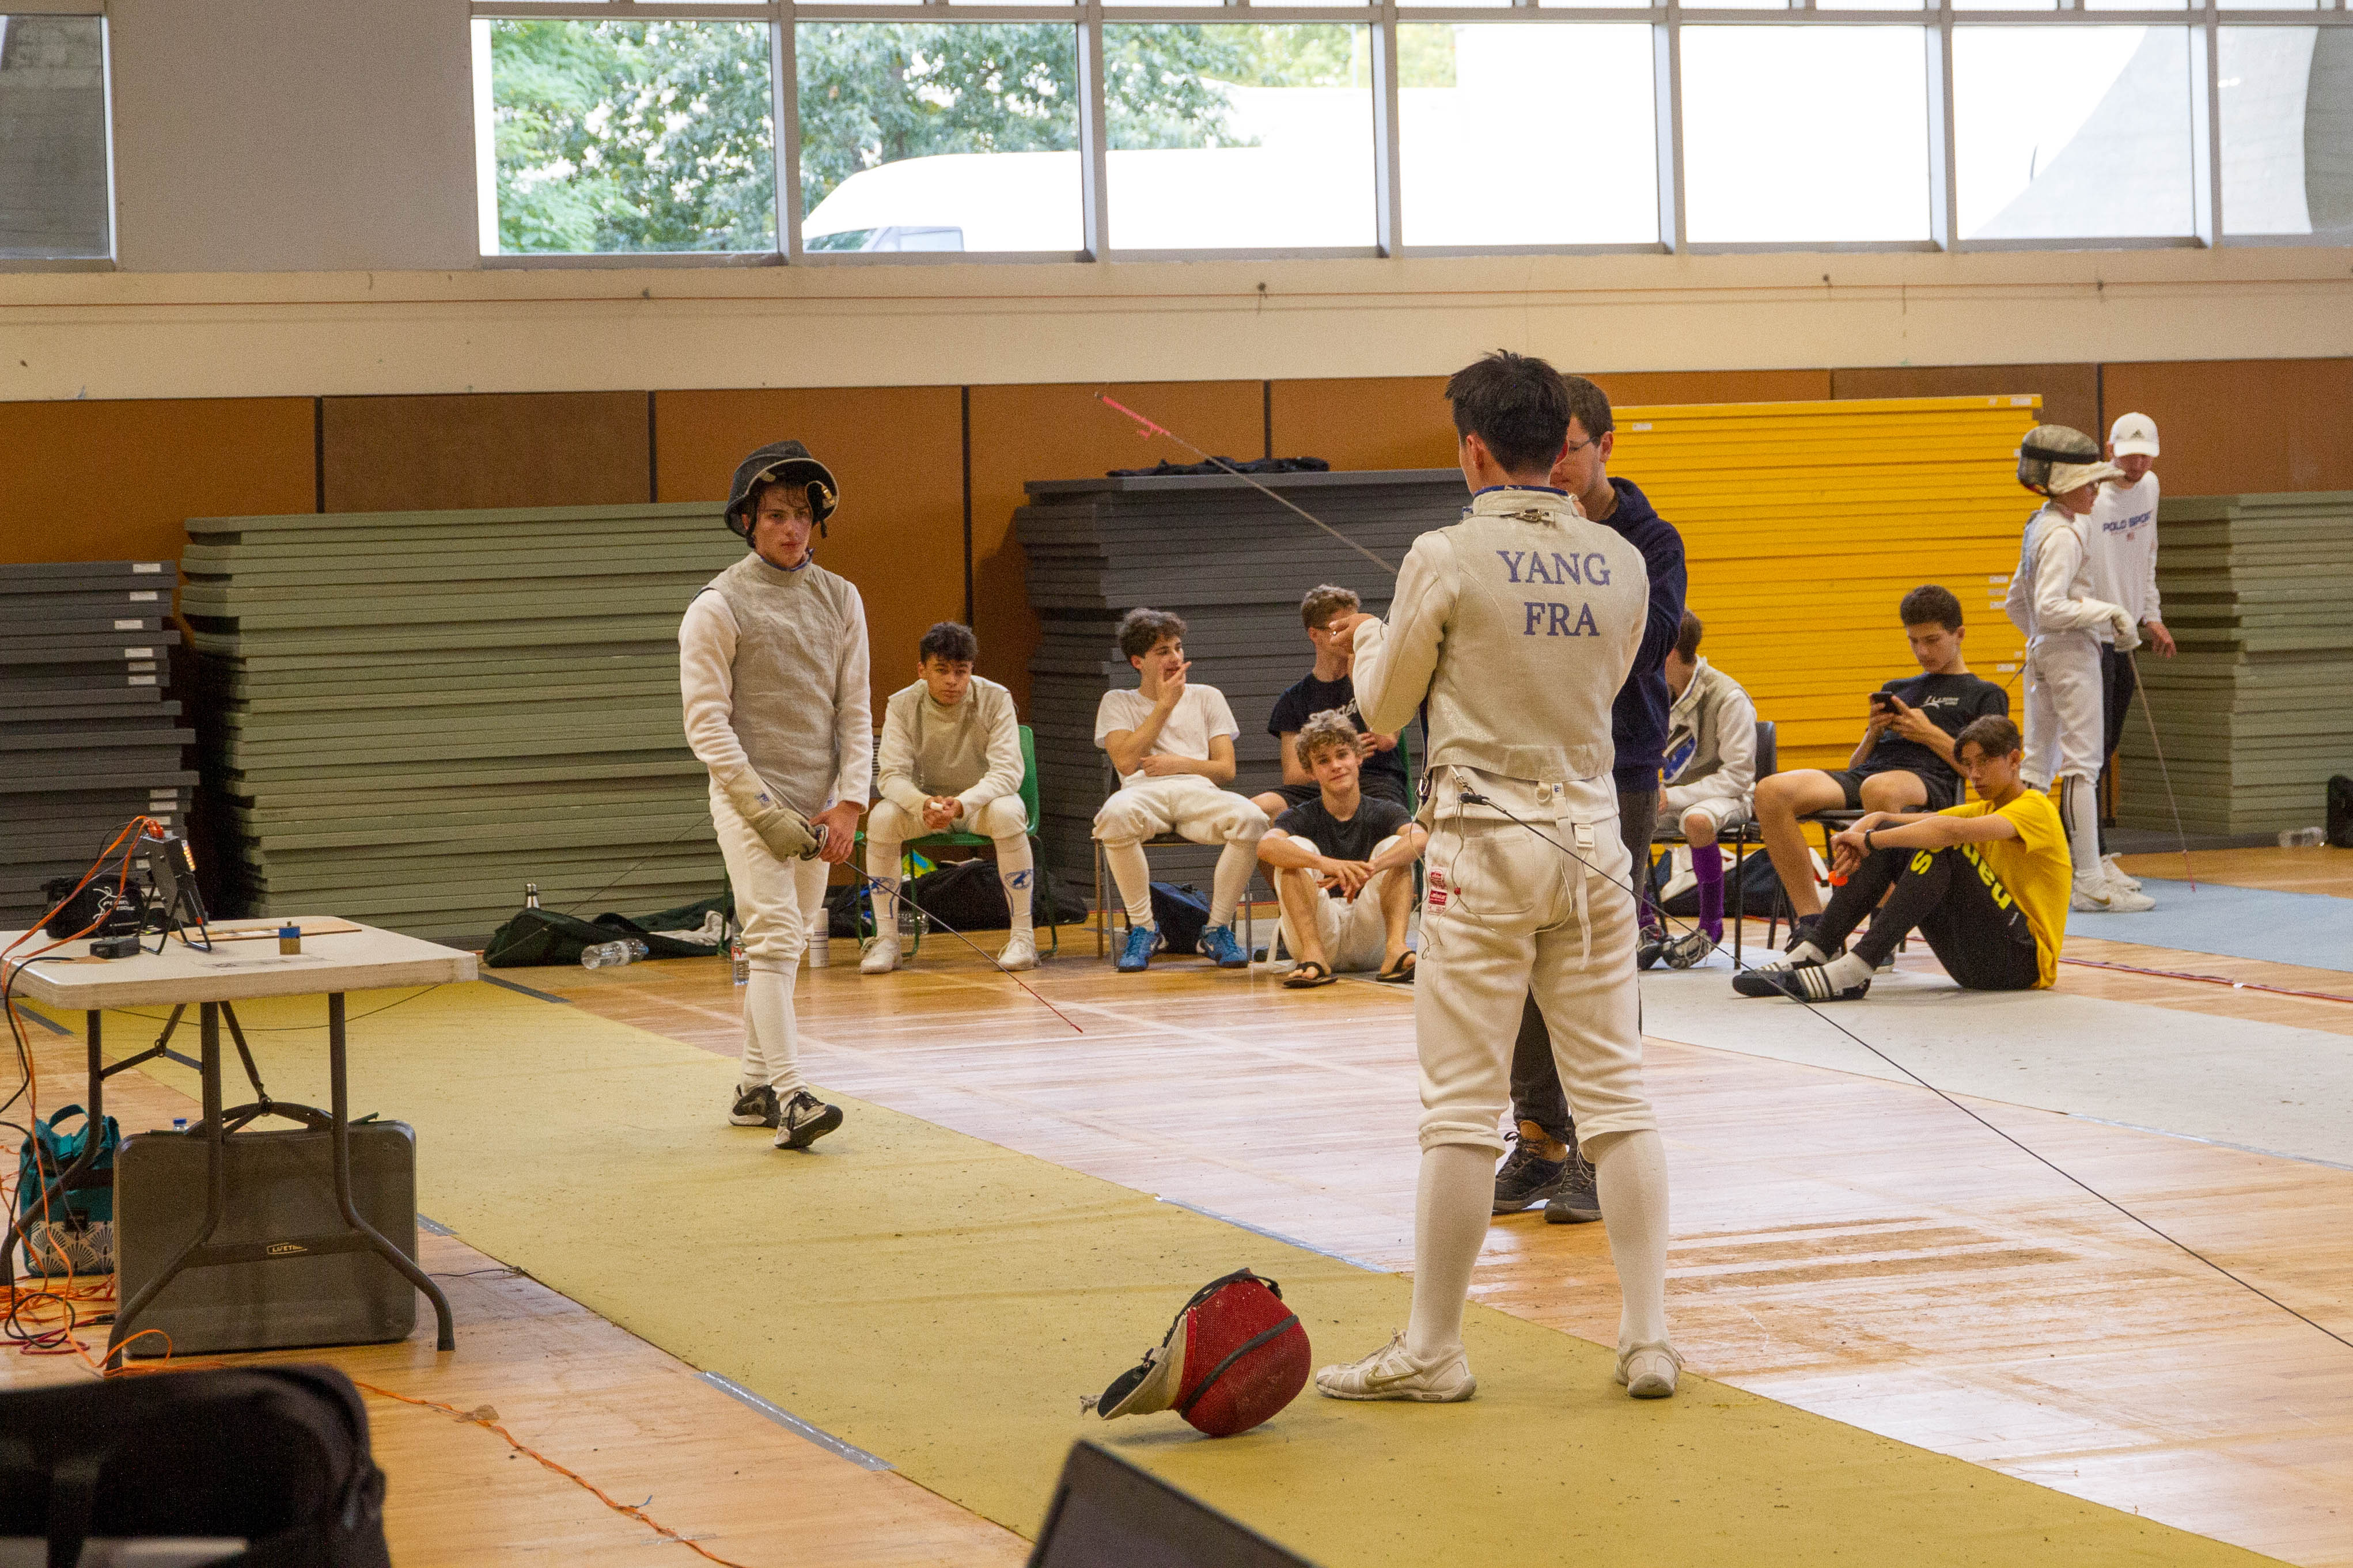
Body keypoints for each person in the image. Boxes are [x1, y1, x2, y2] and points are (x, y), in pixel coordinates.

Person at [1313, 350, 1678, 1404]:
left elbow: (1383, 708)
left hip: (1482, 847)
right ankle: (1648, 1339)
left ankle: (1433, 1349)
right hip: (1594, 840)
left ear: (1473, 450)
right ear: (1559, 443)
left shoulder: (1443, 552)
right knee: (1618, 1095)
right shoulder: (1622, 558)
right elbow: (1611, 679)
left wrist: (1374, 635)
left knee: (1461, 1110)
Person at [1490, 374, 1687, 1224]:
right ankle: (1540, 1136)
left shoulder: (1650, 540)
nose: (1556, 464)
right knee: (1522, 949)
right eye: (1548, 451)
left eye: (1569, 448)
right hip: (1526, 766)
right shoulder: (1514, 533)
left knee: (1598, 956)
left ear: (1603, 446)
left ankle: (1603, 1151)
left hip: (1618, 769)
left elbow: (1647, 646)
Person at [680, 440, 863, 1151]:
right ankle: (792, 1097)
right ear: (748, 521)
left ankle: (752, 1087)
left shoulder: (840, 597)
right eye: (776, 515)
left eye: (801, 515)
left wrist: (848, 803)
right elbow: (706, 725)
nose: (791, 528)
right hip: (746, 800)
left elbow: (853, 711)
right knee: (775, 936)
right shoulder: (717, 605)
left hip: (819, 806)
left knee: (782, 951)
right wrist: (763, 812)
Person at [1734, 715, 2068, 1001]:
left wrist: (1870, 840)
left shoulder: (2036, 808)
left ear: (2014, 760)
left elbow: (1946, 831)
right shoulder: (1984, 808)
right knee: (1900, 838)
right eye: (1968, 765)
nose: (1974, 774)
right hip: (1972, 965)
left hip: (2022, 962)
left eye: (1984, 762)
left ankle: (1859, 965)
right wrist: (1870, 823)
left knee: (1941, 844)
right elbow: (1907, 823)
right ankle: (1816, 949)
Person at [1750, 586, 2008, 954]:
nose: (1922, 651)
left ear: (1960, 634)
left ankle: (1881, 926)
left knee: (1879, 789)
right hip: (1871, 775)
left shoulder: (1985, 694)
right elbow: (1859, 767)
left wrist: (1928, 733)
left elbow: (1984, 771)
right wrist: (1872, 732)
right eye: (1914, 641)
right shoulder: (1898, 689)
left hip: (1930, 780)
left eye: (1932, 640)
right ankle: (1811, 922)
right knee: (1770, 791)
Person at [2003, 423, 2154, 914]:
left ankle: (2023, 872)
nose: (2095, 490)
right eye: (2088, 482)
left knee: (2036, 766)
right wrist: (2109, 613)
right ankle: (2088, 879)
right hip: (2071, 654)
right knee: (2081, 768)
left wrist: (2039, 643)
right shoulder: (2065, 535)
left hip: (2046, 652)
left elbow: (2016, 603)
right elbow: (2048, 605)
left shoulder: (2039, 524)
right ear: (2065, 484)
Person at [1093, 608, 1268, 974]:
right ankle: (1144, 928)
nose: (1175, 658)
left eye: (1177, 648)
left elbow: (1226, 769)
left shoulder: (1207, 696)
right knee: (1113, 816)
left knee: (1253, 818)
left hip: (1197, 790)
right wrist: (1163, 706)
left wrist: (1180, 763)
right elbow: (1125, 761)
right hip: (1142, 792)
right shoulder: (1117, 701)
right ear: (1138, 662)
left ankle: (1217, 929)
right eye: (1163, 652)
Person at [862, 620, 1036, 975]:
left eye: (962, 671)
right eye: (942, 670)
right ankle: (887, 941)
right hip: (925, 809)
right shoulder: (902, 704)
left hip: (980, 806)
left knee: (1009, 812)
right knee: (881, 818)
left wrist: (964, 804)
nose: (953, 681)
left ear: (972, 670)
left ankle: (1023, 938)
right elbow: (891, 776)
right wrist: (923, 804)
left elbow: (1008, 772)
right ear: (922, 670)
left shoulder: (996, 698)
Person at [1256, 710, 1427, 988]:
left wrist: (1372, 868)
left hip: (1370, 937)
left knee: (1396, 848)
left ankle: (1396, 950)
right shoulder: (1300, 815)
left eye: (1342, 755)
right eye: (1323, 761)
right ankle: (1314, 957)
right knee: (1293, 850)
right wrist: (1327, 864)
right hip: (1319, 934)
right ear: (1311, 772)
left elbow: (1419, 838)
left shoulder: (1385, 810)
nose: (1335, 766)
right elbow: (1266, 846)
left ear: (1358, 758)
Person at [2086, 412, 2172, 891]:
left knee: (2108, 745)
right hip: (2091, 636)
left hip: (2125, 637)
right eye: (2128, 455)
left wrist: (2149, 614)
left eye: (2145, 456)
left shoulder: (2150, 487)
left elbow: (2146, 553)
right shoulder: (2091, 496)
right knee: (2091, 749)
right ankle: (2092, 855)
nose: (2136, 465)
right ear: (2109, 450)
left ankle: (2092, 853)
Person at [1249, 584, 1411, 821]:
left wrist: (1357, 675)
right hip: (1319, 787)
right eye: (1340, 628)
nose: (1351, 635)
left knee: (1380, 818)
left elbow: (1386, 740)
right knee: (1256, 810)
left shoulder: (1374, 678)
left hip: (1374, 781)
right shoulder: (1294, 700)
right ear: (1315, 634)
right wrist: (1339, 753)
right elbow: (1293, 775)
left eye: (1353, 627)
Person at [1654, 609, 1757, 965]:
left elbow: (1739, 775)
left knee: (1697, 820)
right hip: (1673, 797)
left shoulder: (1728, 696)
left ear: (1669, 651)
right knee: (1623, 819)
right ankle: (1644, 927)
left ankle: (1710, 926)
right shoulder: (1655, 692)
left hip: (1729, 796)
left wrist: (1672, 796)